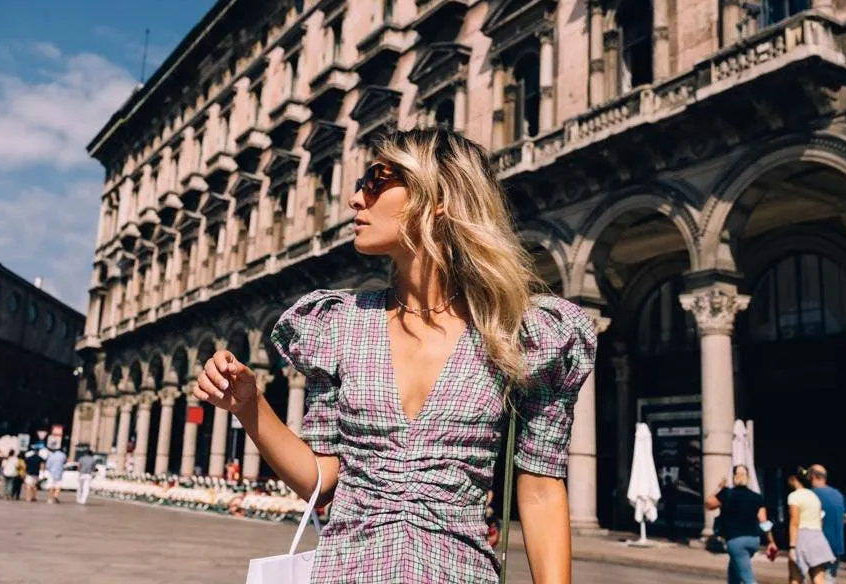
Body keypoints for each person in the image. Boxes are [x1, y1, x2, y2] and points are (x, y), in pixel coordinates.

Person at [195, 128, 596, 583]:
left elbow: (542, 489)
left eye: (375, 180)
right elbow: (320, 481)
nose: (355, 199)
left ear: (438, 196)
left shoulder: (518, 334)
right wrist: (250, 405)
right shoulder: (339, 325)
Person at [705, 465, 777, 584]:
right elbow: (764, 523)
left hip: (736, 541)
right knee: (734, 574)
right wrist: (771, 542)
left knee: (748, 579)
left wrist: (719, 488)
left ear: (734, 477)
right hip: (753, 540)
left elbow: (708, 504)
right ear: (748, 478)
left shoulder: (727, 494)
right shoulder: (756, 497)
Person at [787, 467, 835, 584]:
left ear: (793, 479)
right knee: (819, 579)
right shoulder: (814, 496)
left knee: (795, 578)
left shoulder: (794, 496)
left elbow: (795, 521)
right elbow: (820, 519)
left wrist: (792, 547)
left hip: (802, 537)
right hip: (818, 537)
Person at [810, 464, 846, 583]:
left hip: (817, 544)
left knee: (816, 578)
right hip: (836, 546)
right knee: (829, 579)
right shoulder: (838, 495)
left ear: (813, 476)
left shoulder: (810, 495)